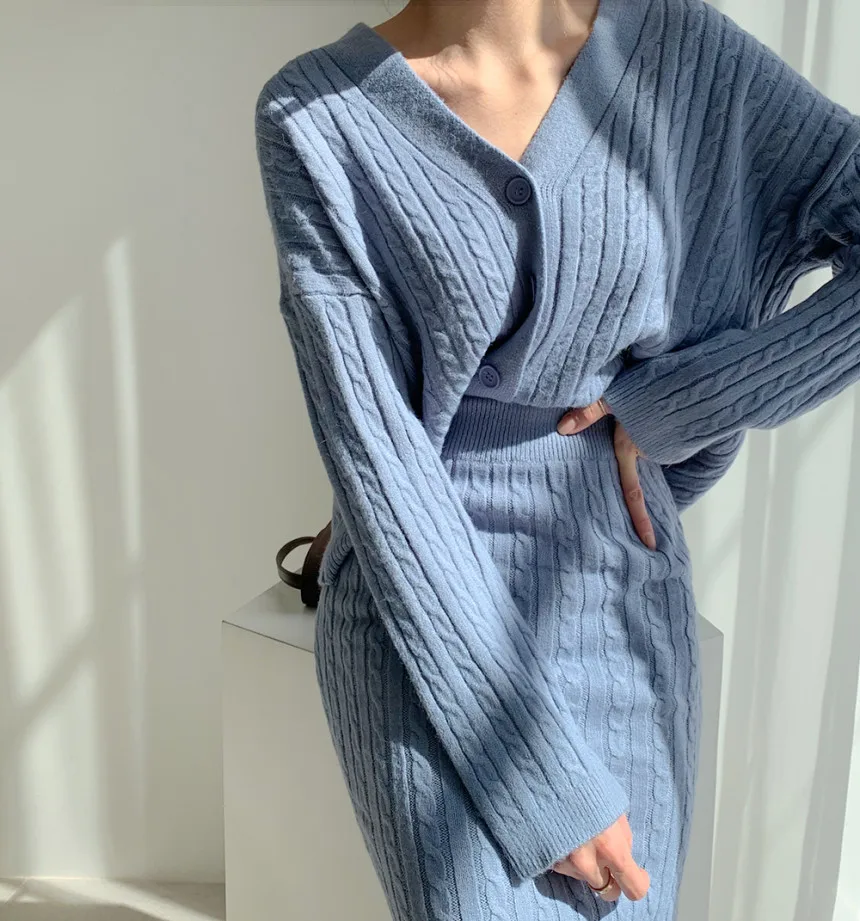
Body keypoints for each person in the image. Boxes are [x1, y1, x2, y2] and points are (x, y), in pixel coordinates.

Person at [253, 0, 860, 917]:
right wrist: (537, 771)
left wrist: (689, 400)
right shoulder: (313, 113)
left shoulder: (679, 50)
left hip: (620, 598)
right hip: (426, 620)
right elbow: (376, 457)